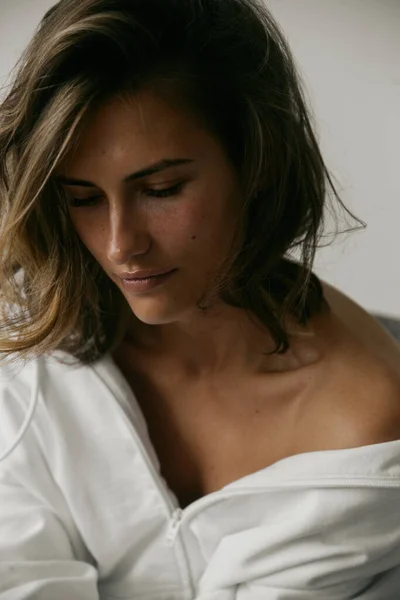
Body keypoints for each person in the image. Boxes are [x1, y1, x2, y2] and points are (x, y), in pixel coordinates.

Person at [0, 0, 399, 598]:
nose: (119, 245)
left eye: (161, 189)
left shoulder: (364, 426)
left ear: (256, 161)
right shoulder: (24, 347)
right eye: (82, 198)